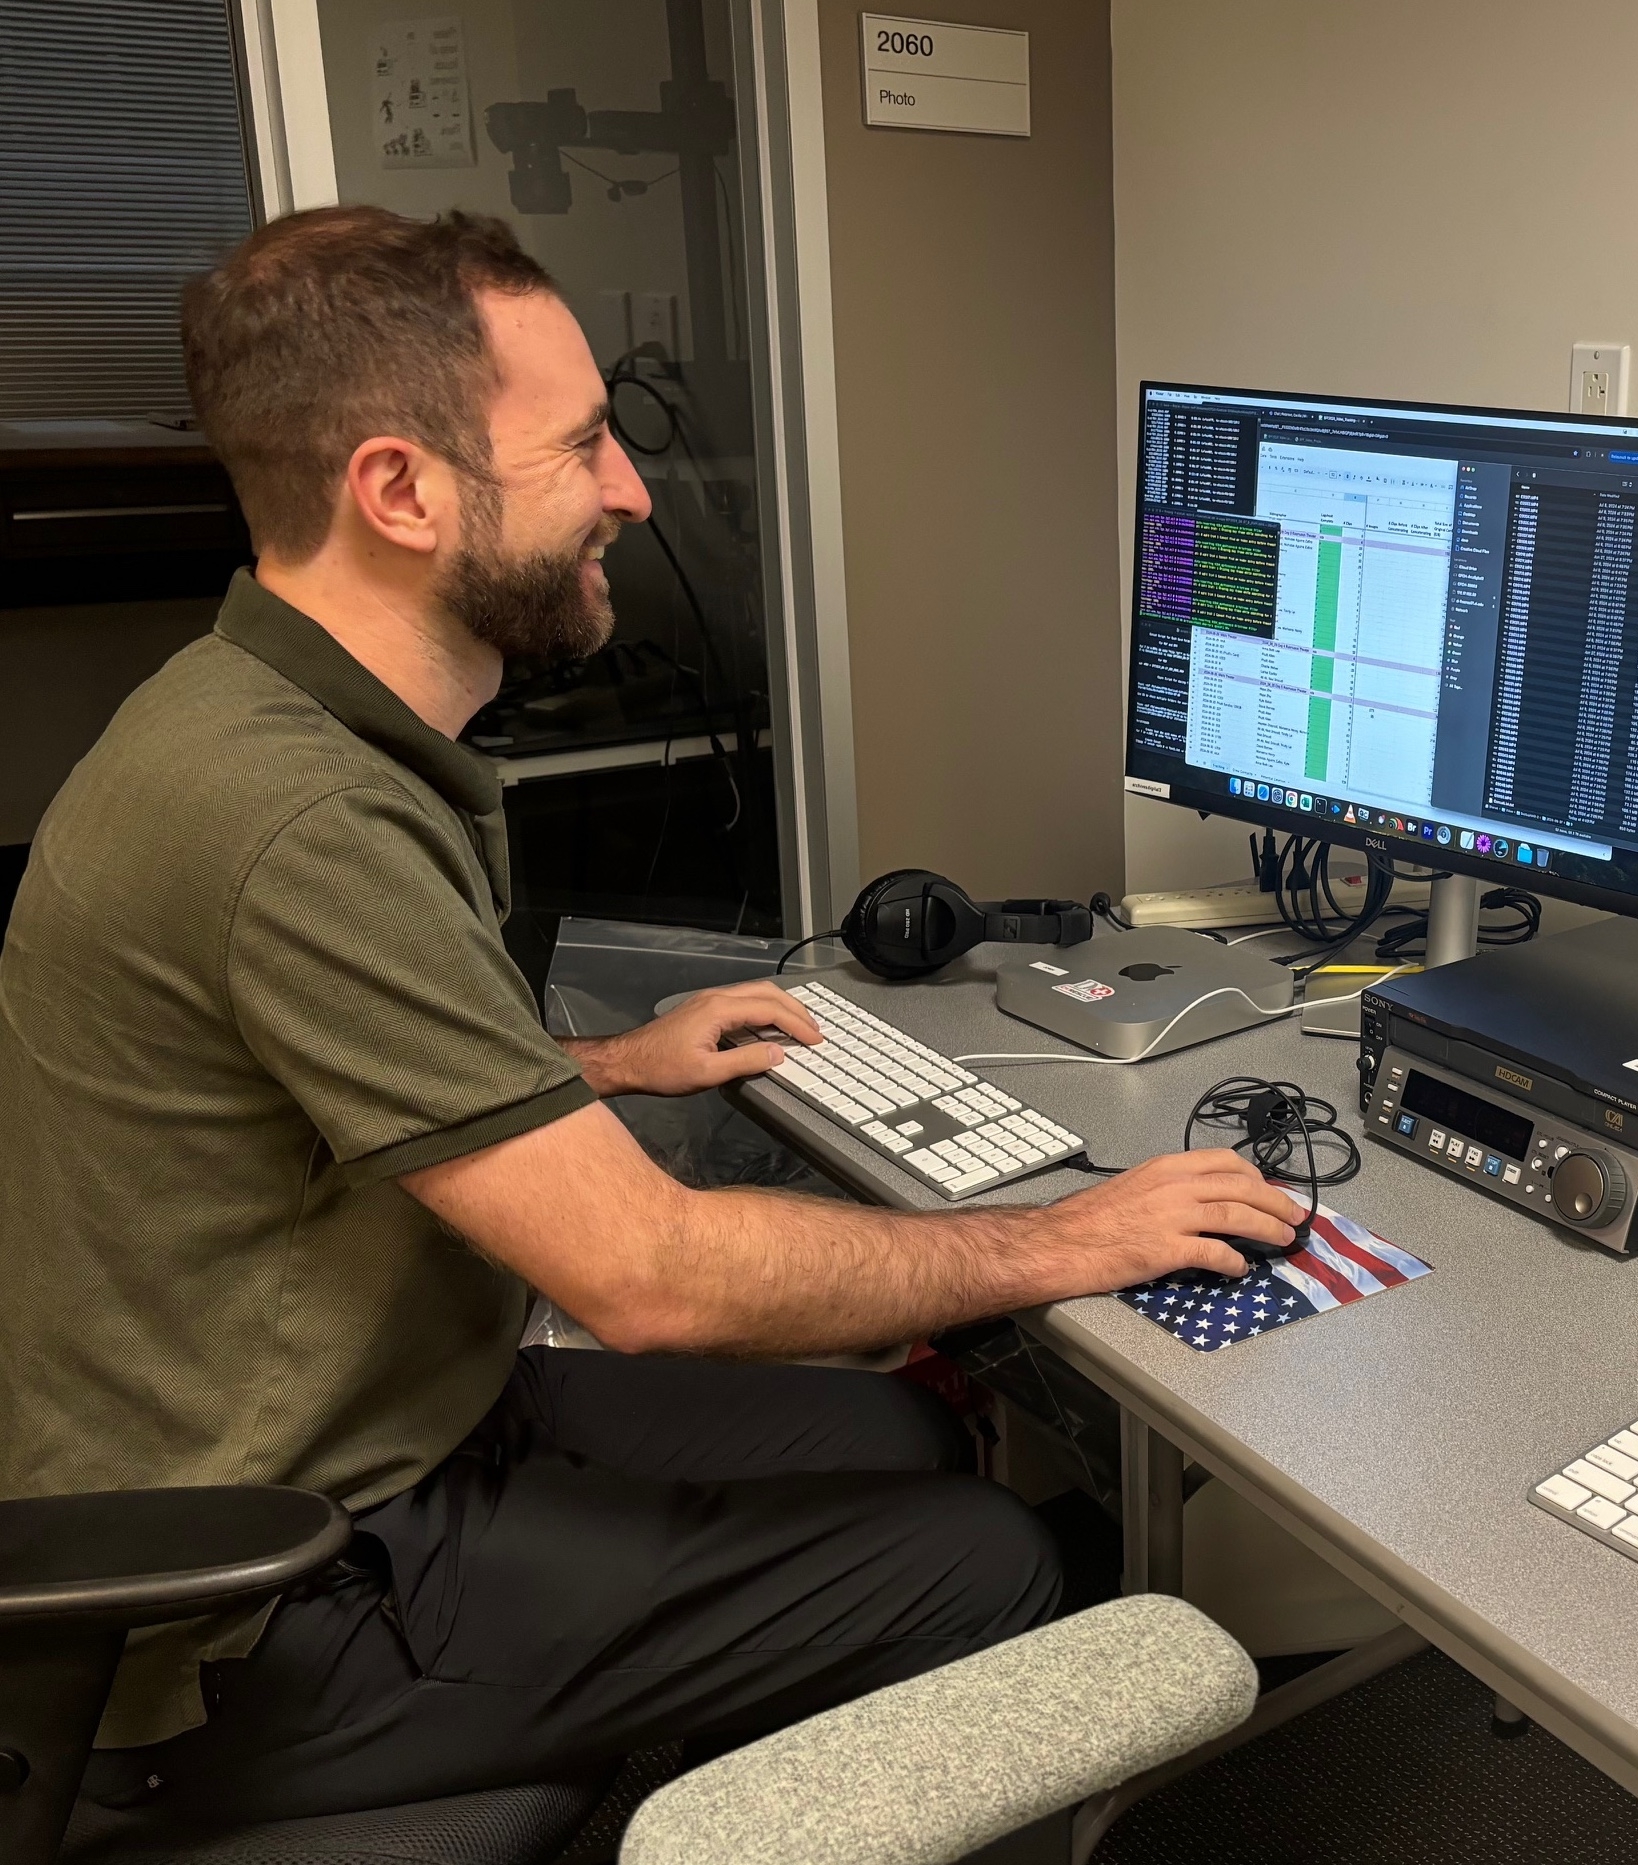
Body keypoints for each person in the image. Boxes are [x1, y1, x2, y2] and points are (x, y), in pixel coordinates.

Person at [0, 205, 1300, 1827]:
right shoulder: (293, 817)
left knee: (895, 1436)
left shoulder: (253, 713)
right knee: (986, 1559)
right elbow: (650, 1281)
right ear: (400, 491)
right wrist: (1062, 1238)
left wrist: (607, 1063)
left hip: (372, 1423)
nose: (631, 489)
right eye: (584, 444)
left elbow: (318, 1100)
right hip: (261, 1607)